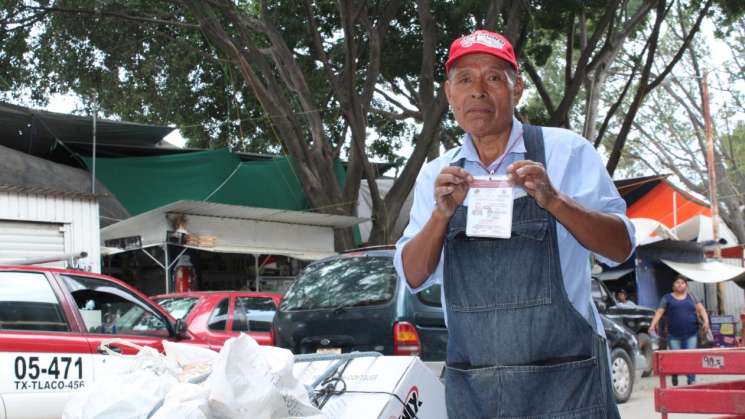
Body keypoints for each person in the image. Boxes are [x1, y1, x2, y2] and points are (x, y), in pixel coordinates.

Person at [394, 30, 636, 418]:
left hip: (567, 388)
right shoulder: (435, 176)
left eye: (493, 77)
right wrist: (441, 215)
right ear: (449, 94)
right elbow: (413, 275)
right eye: (464, 79)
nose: (478, 90)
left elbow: (621, 248)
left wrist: (555, 200)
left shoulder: (567, 151)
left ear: (517, 88)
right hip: (476, 392)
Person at [649, 275, 710, 385]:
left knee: (690, 357)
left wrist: (706, 321)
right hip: (673, 334)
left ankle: (691, 380)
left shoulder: (692, 297)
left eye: (682, 283)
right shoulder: (667, 298)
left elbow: (701, 310)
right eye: (677, 282)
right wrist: (652, 325)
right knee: (675, 358)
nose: (680, 285)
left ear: (686, 285)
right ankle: (674, 373)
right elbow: (659, 312)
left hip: (691, 333)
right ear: (673, 285)